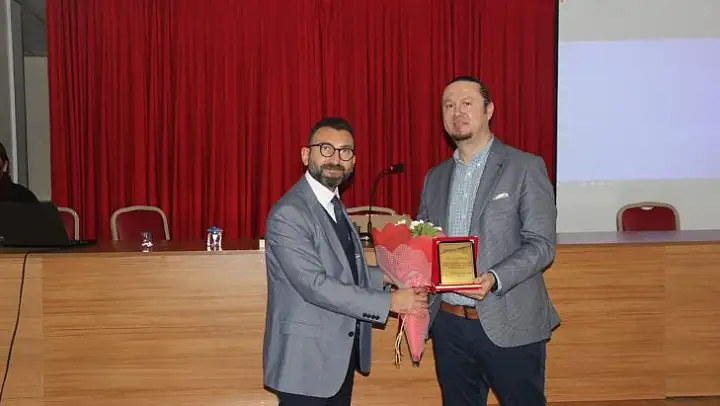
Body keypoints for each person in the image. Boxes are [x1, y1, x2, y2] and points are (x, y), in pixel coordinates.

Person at [263, 117, 428, 406]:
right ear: (306, 155)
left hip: (335, 359)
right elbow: (315, 285)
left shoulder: (333, 204)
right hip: (304, 364)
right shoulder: (290, 212)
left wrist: (385, 275)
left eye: (345, 152)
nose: (336, 159)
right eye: (326, 149)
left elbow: (343, 270)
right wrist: (389, 302)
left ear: (353, 162)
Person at [417, 76, 560, 406]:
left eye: (467, 103)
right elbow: (425, 243)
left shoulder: (525, 167)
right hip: (449, 324)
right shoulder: (434, 177)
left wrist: (495, 277)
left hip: (508, 319)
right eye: (449, 105)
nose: (457, 112)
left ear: (489, 110)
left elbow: (541, 244)